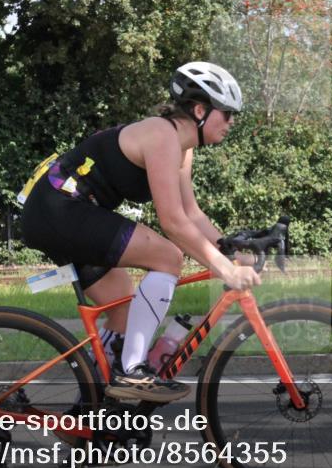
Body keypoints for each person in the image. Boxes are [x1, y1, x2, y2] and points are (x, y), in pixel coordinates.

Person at [20, 62, 261, 402]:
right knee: (168, 256)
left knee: (123, 309)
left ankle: (93, 411)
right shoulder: (161, 135)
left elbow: (191, 213)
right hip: (59, 208)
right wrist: (225, 270)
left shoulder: (183, 148)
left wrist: (229, 250)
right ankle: (133, 372)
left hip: (63, 212)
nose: (232, 122)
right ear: (200, 110)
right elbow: (173, 222)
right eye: (227, 113)